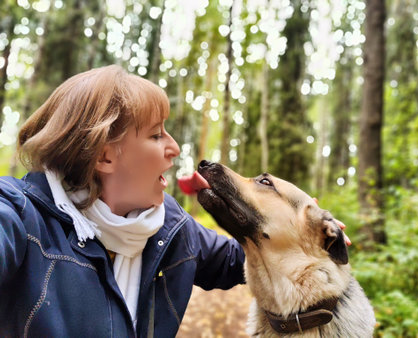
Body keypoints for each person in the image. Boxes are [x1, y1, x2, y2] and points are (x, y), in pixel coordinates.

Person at [0, 65, 245, 338]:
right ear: (103, 156)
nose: (174, 148)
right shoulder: (20, 215)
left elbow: (242, 260)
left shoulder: (171, 226)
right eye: (156, 135)